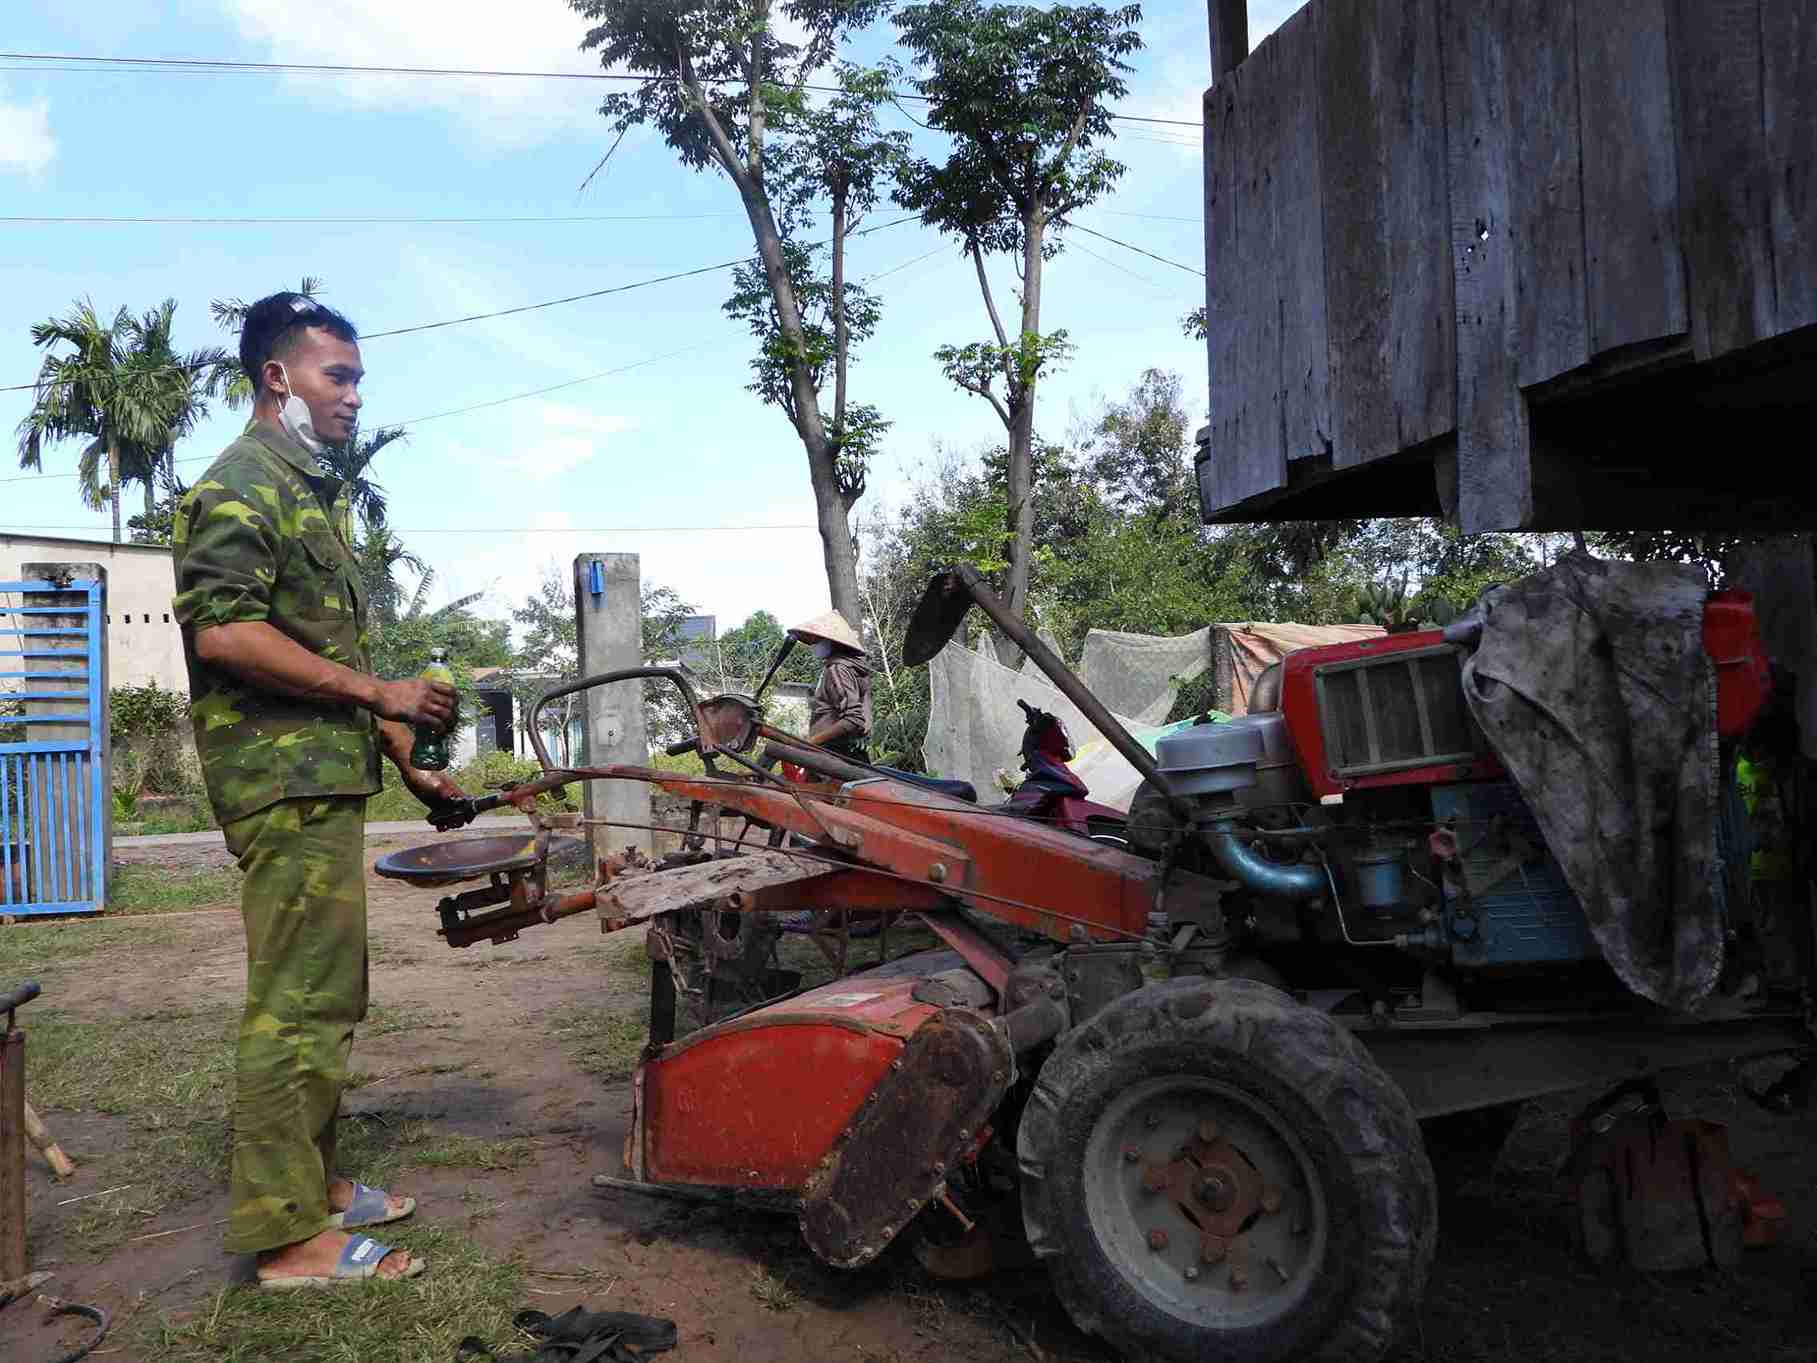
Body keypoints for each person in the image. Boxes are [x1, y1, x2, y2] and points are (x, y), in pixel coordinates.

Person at [171, 293, 465, 1288]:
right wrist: (381, 691)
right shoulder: (244, 484)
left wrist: (401, 748)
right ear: (276, 377)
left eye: (355, 380)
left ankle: (316, 1181)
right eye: (336, 376)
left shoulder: (302, 489)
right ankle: (286, 1236)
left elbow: (320, 656)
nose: (352, 397)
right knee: (296, 1003)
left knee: (328, 995)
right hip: (279, 785)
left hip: (321, 777)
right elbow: (227, 634)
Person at [789, 611, 873, 761]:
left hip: (833, 753)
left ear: (832, 642)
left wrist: (810, 743)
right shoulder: (854, 668)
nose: (813, 646)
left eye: (817, 641)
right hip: (847, 751)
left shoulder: (838, 669)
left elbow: (854, 720)